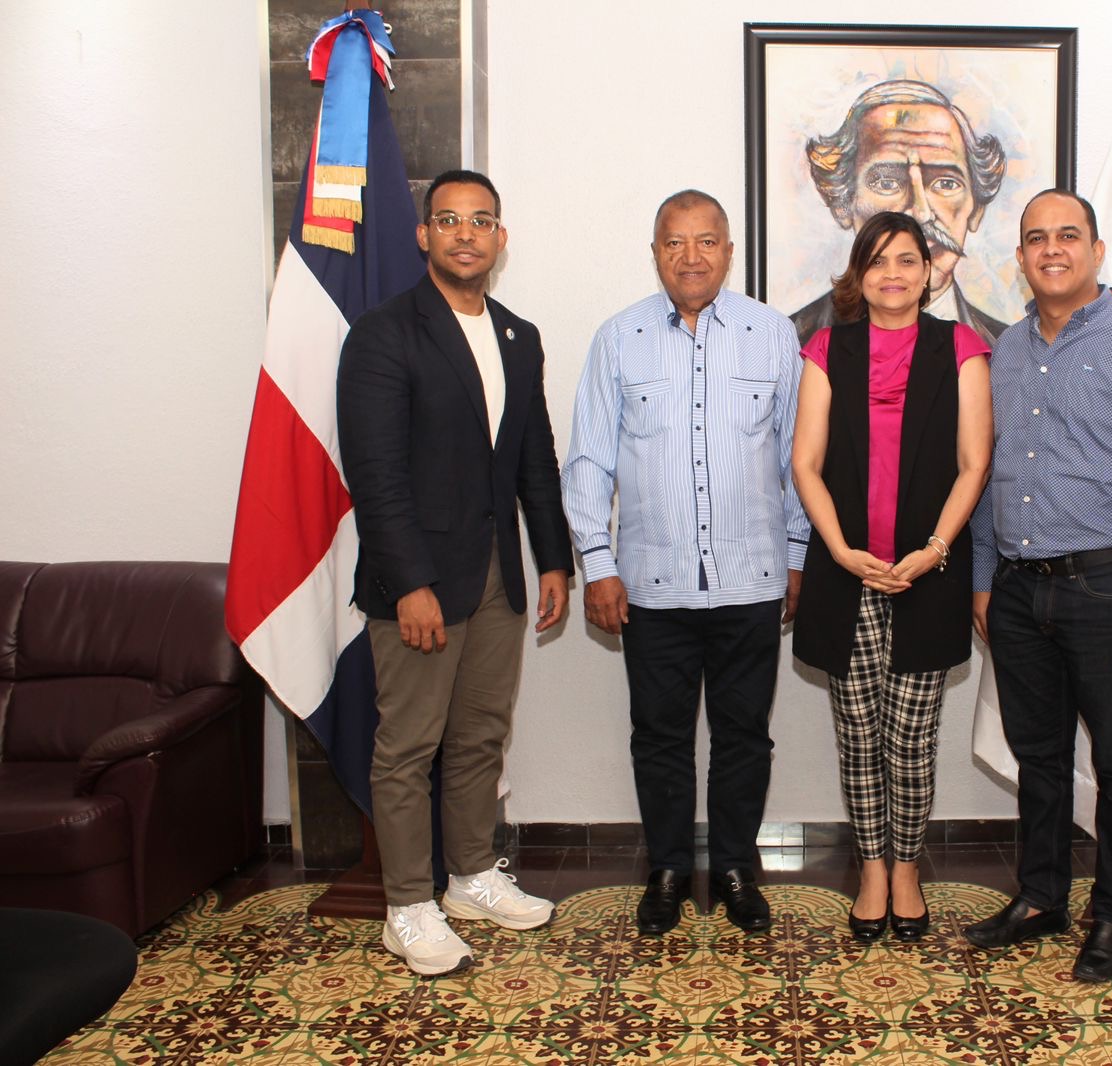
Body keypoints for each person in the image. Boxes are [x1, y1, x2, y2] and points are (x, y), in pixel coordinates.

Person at [963, 190, 1112, 982]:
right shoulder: (1005, 352)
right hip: (1017, 591)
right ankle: (1041, 898)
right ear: (1021, 258)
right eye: (1036, 238)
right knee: (1038, 755)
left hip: (1109, 591)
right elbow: (991, 471)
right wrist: (983, 580)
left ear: (1097, 251)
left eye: (1068, 235)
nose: (1052, 249)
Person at [337, 169, 572, 976]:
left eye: (480, 221)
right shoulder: (383, 334)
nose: (465, 234)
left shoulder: (518, 336)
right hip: (420, 584)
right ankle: (408, 905)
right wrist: (409, 583)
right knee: (409, 747)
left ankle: (471, 876)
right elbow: (375, 474)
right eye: (448, 220)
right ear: (424, 235)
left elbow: (534, 457)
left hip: (499, 576)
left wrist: (553, 560)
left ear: (500, 237)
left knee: (480, 737)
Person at [562, 190, 809, 936]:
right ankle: (668, 869)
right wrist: (597, 563)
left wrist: (798, 555)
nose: (691, 256)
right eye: (675, 242)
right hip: (651, 586)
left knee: (745, 738)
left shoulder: (773, 335)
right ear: (655, 253)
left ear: (729, 252)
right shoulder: (619, 338)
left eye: (706, 242)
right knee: (659, 738)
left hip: (752, 579)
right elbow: (588, 461)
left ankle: (735, 868)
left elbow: (798, 458)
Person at [791, 212, 992, 942]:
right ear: (859, 273)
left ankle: (907, 868)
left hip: (925, 576)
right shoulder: (826, 348)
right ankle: (871, 868)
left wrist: (935, 549)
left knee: (910, 736)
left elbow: (974, 463)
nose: (893, 274)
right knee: (857, 734)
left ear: (928, 270)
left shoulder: (961, 347)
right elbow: (805, 465)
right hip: (847, 573)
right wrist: (841, 550)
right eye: (877, 261)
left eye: (906, 259)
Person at [792, 80, 1010, 347]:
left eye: (945, 183)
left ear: (976, 209)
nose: (921, 213)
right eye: (887, 183)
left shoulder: (1005, 348)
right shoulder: (795, 340)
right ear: (842, 203)